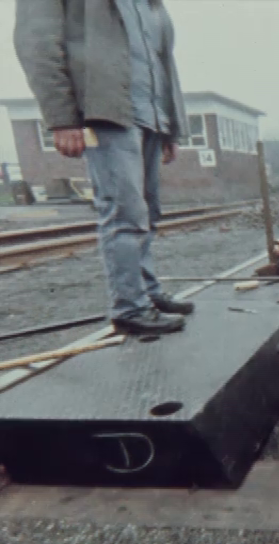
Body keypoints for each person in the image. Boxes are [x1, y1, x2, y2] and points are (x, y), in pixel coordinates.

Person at [14, 0, 194, 335]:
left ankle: (147, 292)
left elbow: (160, 58)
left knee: (148, 211)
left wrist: (170, 127)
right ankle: (129, 308)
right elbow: (37, 42)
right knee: (125, 213)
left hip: (150, 117)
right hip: (107, 113)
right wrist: (62, 118)